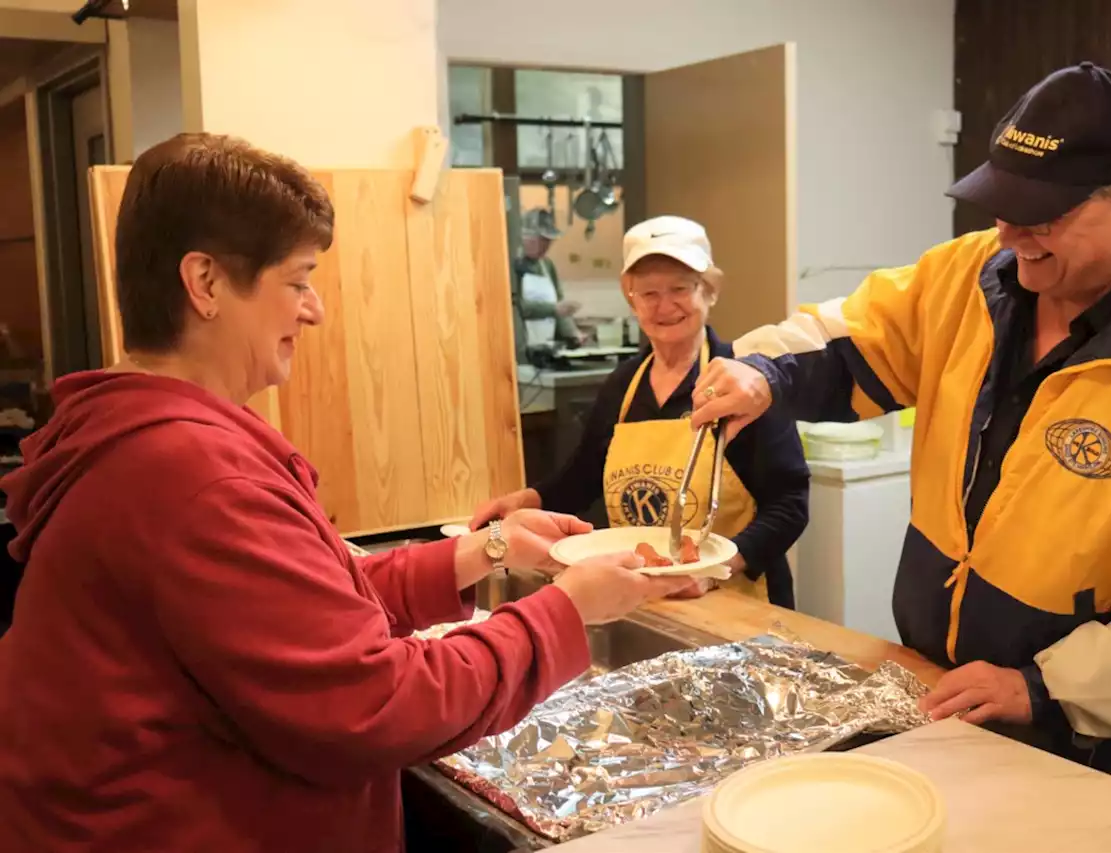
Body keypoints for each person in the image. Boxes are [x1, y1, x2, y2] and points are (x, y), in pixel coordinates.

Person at [0, 133, 689, 851]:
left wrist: (486, 549)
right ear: (204, 283)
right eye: (298, 280)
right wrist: (567, 613)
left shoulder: (152, 434)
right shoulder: (193, 476)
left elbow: (311, 595)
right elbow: (376, 704)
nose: (316, 309)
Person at [690, 62, 1111, 784]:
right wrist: (763, 371)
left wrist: (1039, 687)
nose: (1010, 233)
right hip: (938, 683)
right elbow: (852, 337)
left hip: (1082, 732)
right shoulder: (972, 275)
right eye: (1000, 206)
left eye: (1042, 216)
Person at [472, 216, 809, 608]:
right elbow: (583, 478)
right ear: (630, 297)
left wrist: (715, 569)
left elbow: (790, 504)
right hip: (641, 596)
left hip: (738, 601)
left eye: (680, 289)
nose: (664, 306)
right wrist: (526, 499)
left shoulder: (745, 380)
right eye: (648, 293)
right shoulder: (623, 386)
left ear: (710, 291)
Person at [513, 207, 582, 362]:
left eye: (549, 242)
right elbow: (517, 307)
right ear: (525, 237)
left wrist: (573, 333)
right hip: (521, 351)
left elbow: (559, 303)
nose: (546, 247)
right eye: (542, 241)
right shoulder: (514, 265)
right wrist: (553, 309)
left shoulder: (547, 265)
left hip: (546, 349)